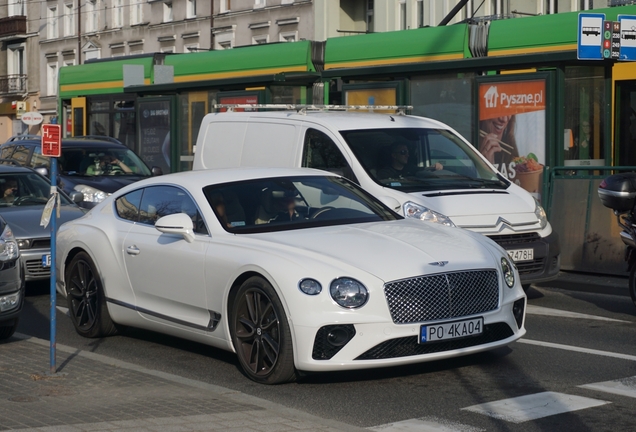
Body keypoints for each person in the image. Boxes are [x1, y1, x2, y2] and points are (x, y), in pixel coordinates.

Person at [377, 143, 442, 180]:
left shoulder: (411, 168)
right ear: (394, 155)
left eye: (407, 152)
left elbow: (425, 170)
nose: (407, 155)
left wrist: (435, 166)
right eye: (403, 152)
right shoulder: (385, 173)